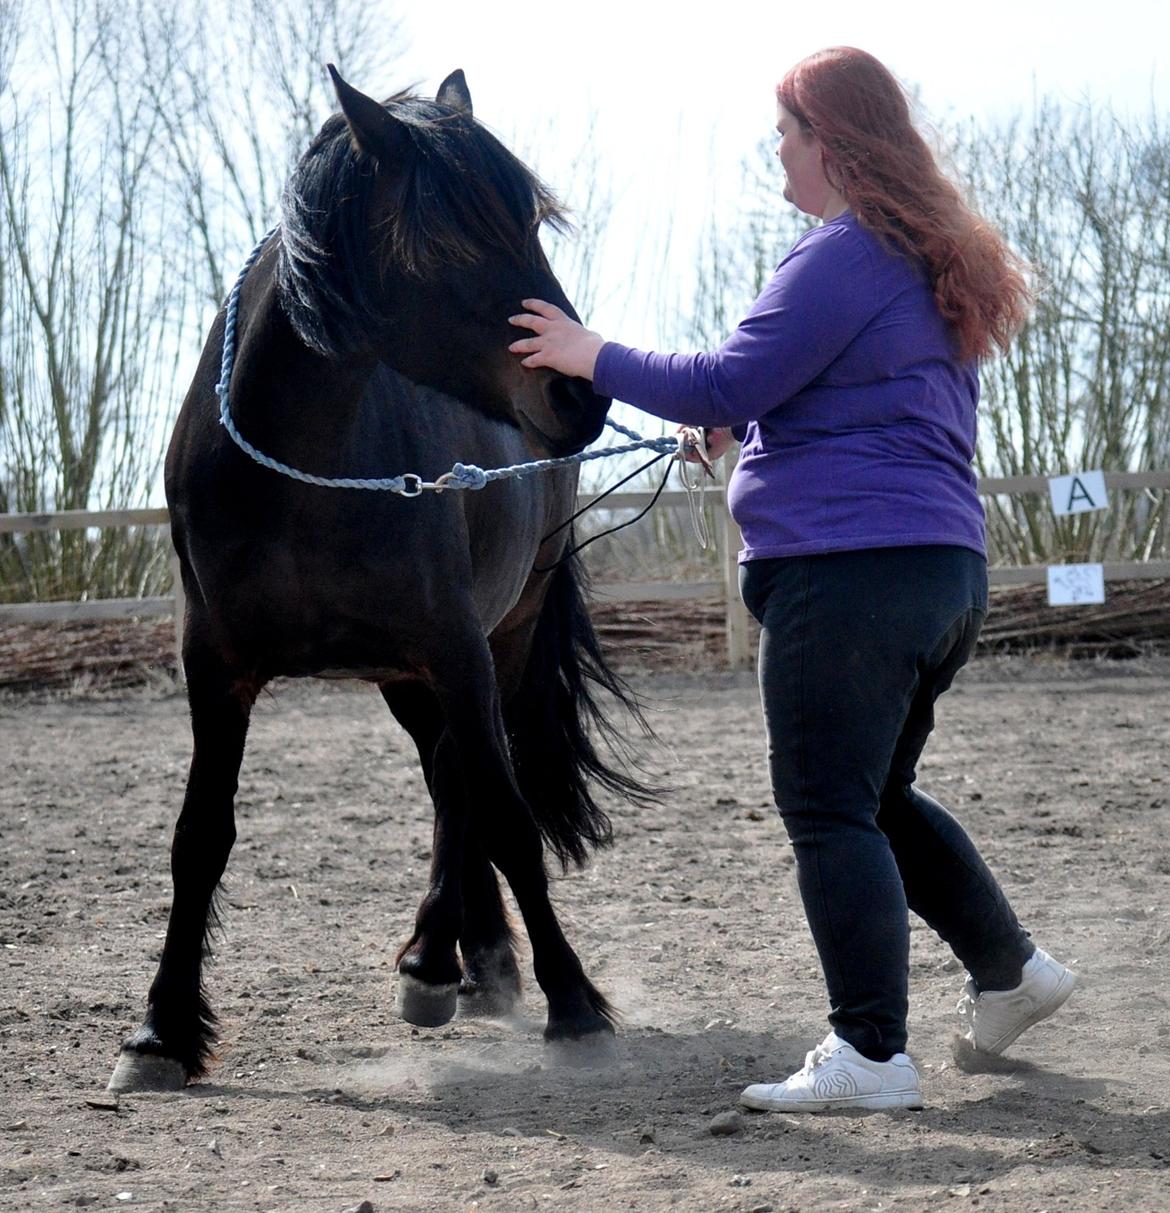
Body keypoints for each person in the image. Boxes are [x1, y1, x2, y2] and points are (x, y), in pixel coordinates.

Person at [507, 46, 1077, 1113]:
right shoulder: (918, 261)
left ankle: (870, 1053)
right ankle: (1012, 973)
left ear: (832, 143)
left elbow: (729, 376)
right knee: (875, 795)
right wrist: (744, 432)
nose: (775, 151)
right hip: (939, 572)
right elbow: (841, 402)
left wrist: (591, 353)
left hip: (846, 577)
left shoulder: (844, 254)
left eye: (786, 133)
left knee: (827, 807)